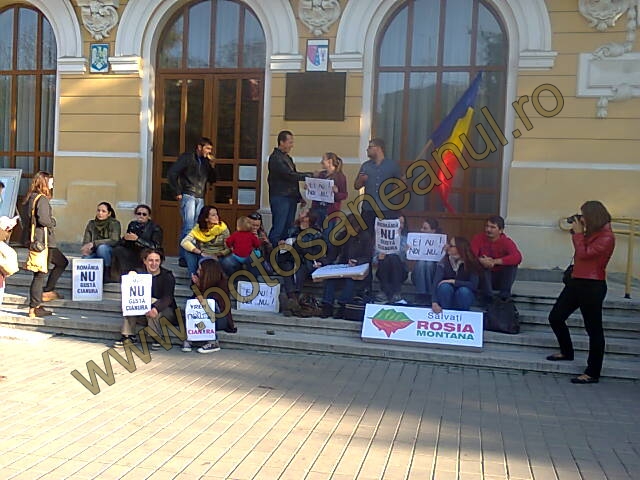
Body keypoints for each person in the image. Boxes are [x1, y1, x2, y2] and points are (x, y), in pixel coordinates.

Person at [546, 201, 615, 385]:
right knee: (556, 317)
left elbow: (585, 253)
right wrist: (578, 231)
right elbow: (580, 247)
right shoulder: (591, 232)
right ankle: (567, 352)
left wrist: (578, 235)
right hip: (577, 282)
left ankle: (592, 372)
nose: (581, 218)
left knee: (593, 330)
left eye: (584, 215)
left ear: (593, 216)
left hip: (592, 286)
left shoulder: (606, 236)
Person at [22, 172, 69, 317]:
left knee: (50, 267)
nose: (52, 184)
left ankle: (44, 295)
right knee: (40, 274)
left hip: (36, 240)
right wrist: (52, 222)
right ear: (44, 182)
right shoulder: (41, 199)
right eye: (51, 182)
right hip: (44, 242)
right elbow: (43, 220)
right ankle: (36, 305)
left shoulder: (30, 198)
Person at [114, 248, 177, 350]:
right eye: (150, 260)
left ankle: (156, 337)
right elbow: (132, 274)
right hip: (143, 312)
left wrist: (156, 308)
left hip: (164, 310)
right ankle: (128, 335)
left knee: (152, 303)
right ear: (145, 261)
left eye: (157, 260)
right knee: (131, 301)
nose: (154, 263)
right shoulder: (140, 273)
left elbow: (168, 298)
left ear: (161, 262)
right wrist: (132, 274)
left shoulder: (167, 276)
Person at [167, 137, 217, 267]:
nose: (209, 151)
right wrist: (177, 191)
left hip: (200, 196)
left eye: (210, 149)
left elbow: (213, 179)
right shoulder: (187, 158)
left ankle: (189, 256)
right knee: (188, 227)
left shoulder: (205, 162)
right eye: (207, 148)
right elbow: (172, 173)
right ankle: (184, 257)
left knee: (196, 227)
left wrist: (211, 165)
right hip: (188, 194)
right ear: (199, 147)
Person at [318, 213, 372, 319]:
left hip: (358, 270)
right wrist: (323, 262)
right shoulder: (342, 236)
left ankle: (342, 306)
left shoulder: (366, 237)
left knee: (350, 281)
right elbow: (332, 254)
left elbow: (368, 256)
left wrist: (357, 261)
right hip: (343, 267)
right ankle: (327, 305)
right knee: (330, 280)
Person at [354, 138, 402, 250]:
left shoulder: (392, 165)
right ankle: (367, 262)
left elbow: (401, 185)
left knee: (385, 239)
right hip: (368, 208)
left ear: (378, 149)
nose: (367, 150)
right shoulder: (366, 166)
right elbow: (356, 186)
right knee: (366, 237)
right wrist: (361, 180)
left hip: (386, 209)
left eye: (370, 147)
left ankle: (382, 263)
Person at [267, 130, 313, 247]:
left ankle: (285, 254)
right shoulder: (275, 158)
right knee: (279, 227)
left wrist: (299, 196)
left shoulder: (287, 158)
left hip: (290, 197)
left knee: (289, 227)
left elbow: (293, 178)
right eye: (290, 142)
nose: (292, 145)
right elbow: (289, 175)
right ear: (282, 142)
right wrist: (310, 175)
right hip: (280, 197)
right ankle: (272, 252)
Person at [182, 258, 237, 354]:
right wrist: (197, 285)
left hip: (219, 318)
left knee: (207, 308)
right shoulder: (203, 281)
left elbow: (212, 302)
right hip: (204, 317)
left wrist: (200, 295)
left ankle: (213, 342)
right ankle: (190, 337)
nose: (198, 271)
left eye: (200, 269)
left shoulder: (221, 283)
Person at [277, 209, 323, 317]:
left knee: (299, 268)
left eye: (303, 212)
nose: (300, 213)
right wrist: (283, 244)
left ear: (307, 218)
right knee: (287, 267)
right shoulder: (292, 229)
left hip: (305, 261)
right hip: (289, 258)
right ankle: (294, 301)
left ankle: (291, 300)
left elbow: (314, 252)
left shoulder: (315, 233)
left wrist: (297, 244)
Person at [471, 215, 522, 302]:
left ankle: (504, 297)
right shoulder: (478, 238)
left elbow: (517, 257)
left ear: (501, 230)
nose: (488, 230)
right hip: (483, 279)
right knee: (482, 265)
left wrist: (495, 261)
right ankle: (489, 298)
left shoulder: (506, 242)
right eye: (487, 226)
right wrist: (481, 260)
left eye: (492, 227)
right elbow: (470, 255)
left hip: (500, 278)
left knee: (512, 265)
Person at [110, 204, 163, 281]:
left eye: (144, 214)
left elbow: (156, 246)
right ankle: (122, 276)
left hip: (146, 252)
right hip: (133, 250)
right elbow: (126, 241)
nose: (141, 216)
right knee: (118, 250)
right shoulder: (132, 225)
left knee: (143, 253)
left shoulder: (155, 228)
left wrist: (138, 239)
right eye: (139, 213)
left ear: (148, 216)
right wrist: (125, 239)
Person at [431, 237, 481, 313]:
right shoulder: (444, 261)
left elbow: (473, 285)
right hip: (447, 294)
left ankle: (463, 315)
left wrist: (454, 281)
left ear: (459, 248)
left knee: (463, 291)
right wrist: (434, 302)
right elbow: (436, 283)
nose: (447, 247)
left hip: (464, 296)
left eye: (451, 245)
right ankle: (446, 314)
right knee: (444, 287)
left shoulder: (471, 262)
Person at [180, 206, 230, 276]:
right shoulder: (198, 228)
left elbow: (228, 248)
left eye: (217, 214)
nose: (217, 217)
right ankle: (193, 278)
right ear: (206, 219)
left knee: (228, 261)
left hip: (219, 256)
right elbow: (184, 242)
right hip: (203, 254)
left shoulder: (223, 228)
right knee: (188, 251)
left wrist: (217, 255)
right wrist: (200, 252)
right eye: (213, 215)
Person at [80, 202, 121, 283]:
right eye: (98, 210)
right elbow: (86, 242)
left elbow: (114, 240)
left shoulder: (114, 223)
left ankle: (107, 273)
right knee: (85, 260)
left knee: (102, 248)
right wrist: (85, 249)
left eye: (103, 211)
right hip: (95, 252)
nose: (100, 213)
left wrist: (94, 243)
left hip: (109, 253)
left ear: (109, 213)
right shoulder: (91, 224)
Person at [308, 152, 348, 233]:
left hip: (330, 211)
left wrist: (336, 192)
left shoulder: (339, 177)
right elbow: (315, 189)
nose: (321, 162)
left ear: (329, 162)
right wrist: (310, 185)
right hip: (317, 208)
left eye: (323, 159)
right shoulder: (321, 174)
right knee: (315, 232)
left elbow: (344, 195)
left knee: (327, 235)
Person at [374, 214, 409, 304]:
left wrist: (405, 251)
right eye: (398, 222)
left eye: (402, 223)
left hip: (400, 271)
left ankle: (394, 292)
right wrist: (378, 257)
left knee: (393, 257)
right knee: (386, 259)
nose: (400, 225)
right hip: (383, 269)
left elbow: (406, 260)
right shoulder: (380, 238)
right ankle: (386, 292)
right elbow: (373, 259)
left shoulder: (406, 239)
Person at [412, 218, 444, 305]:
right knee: (421, 263)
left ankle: (430, 295)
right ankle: (421, 294)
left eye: (425, 228)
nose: (421, 230)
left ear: (433, 231)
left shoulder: (441, 242)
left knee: (429, 264)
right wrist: (409, 250)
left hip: (434, 274)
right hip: (418, 274)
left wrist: (445, 250)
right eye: (422, 228)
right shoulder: (417, 240)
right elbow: (411, 256)